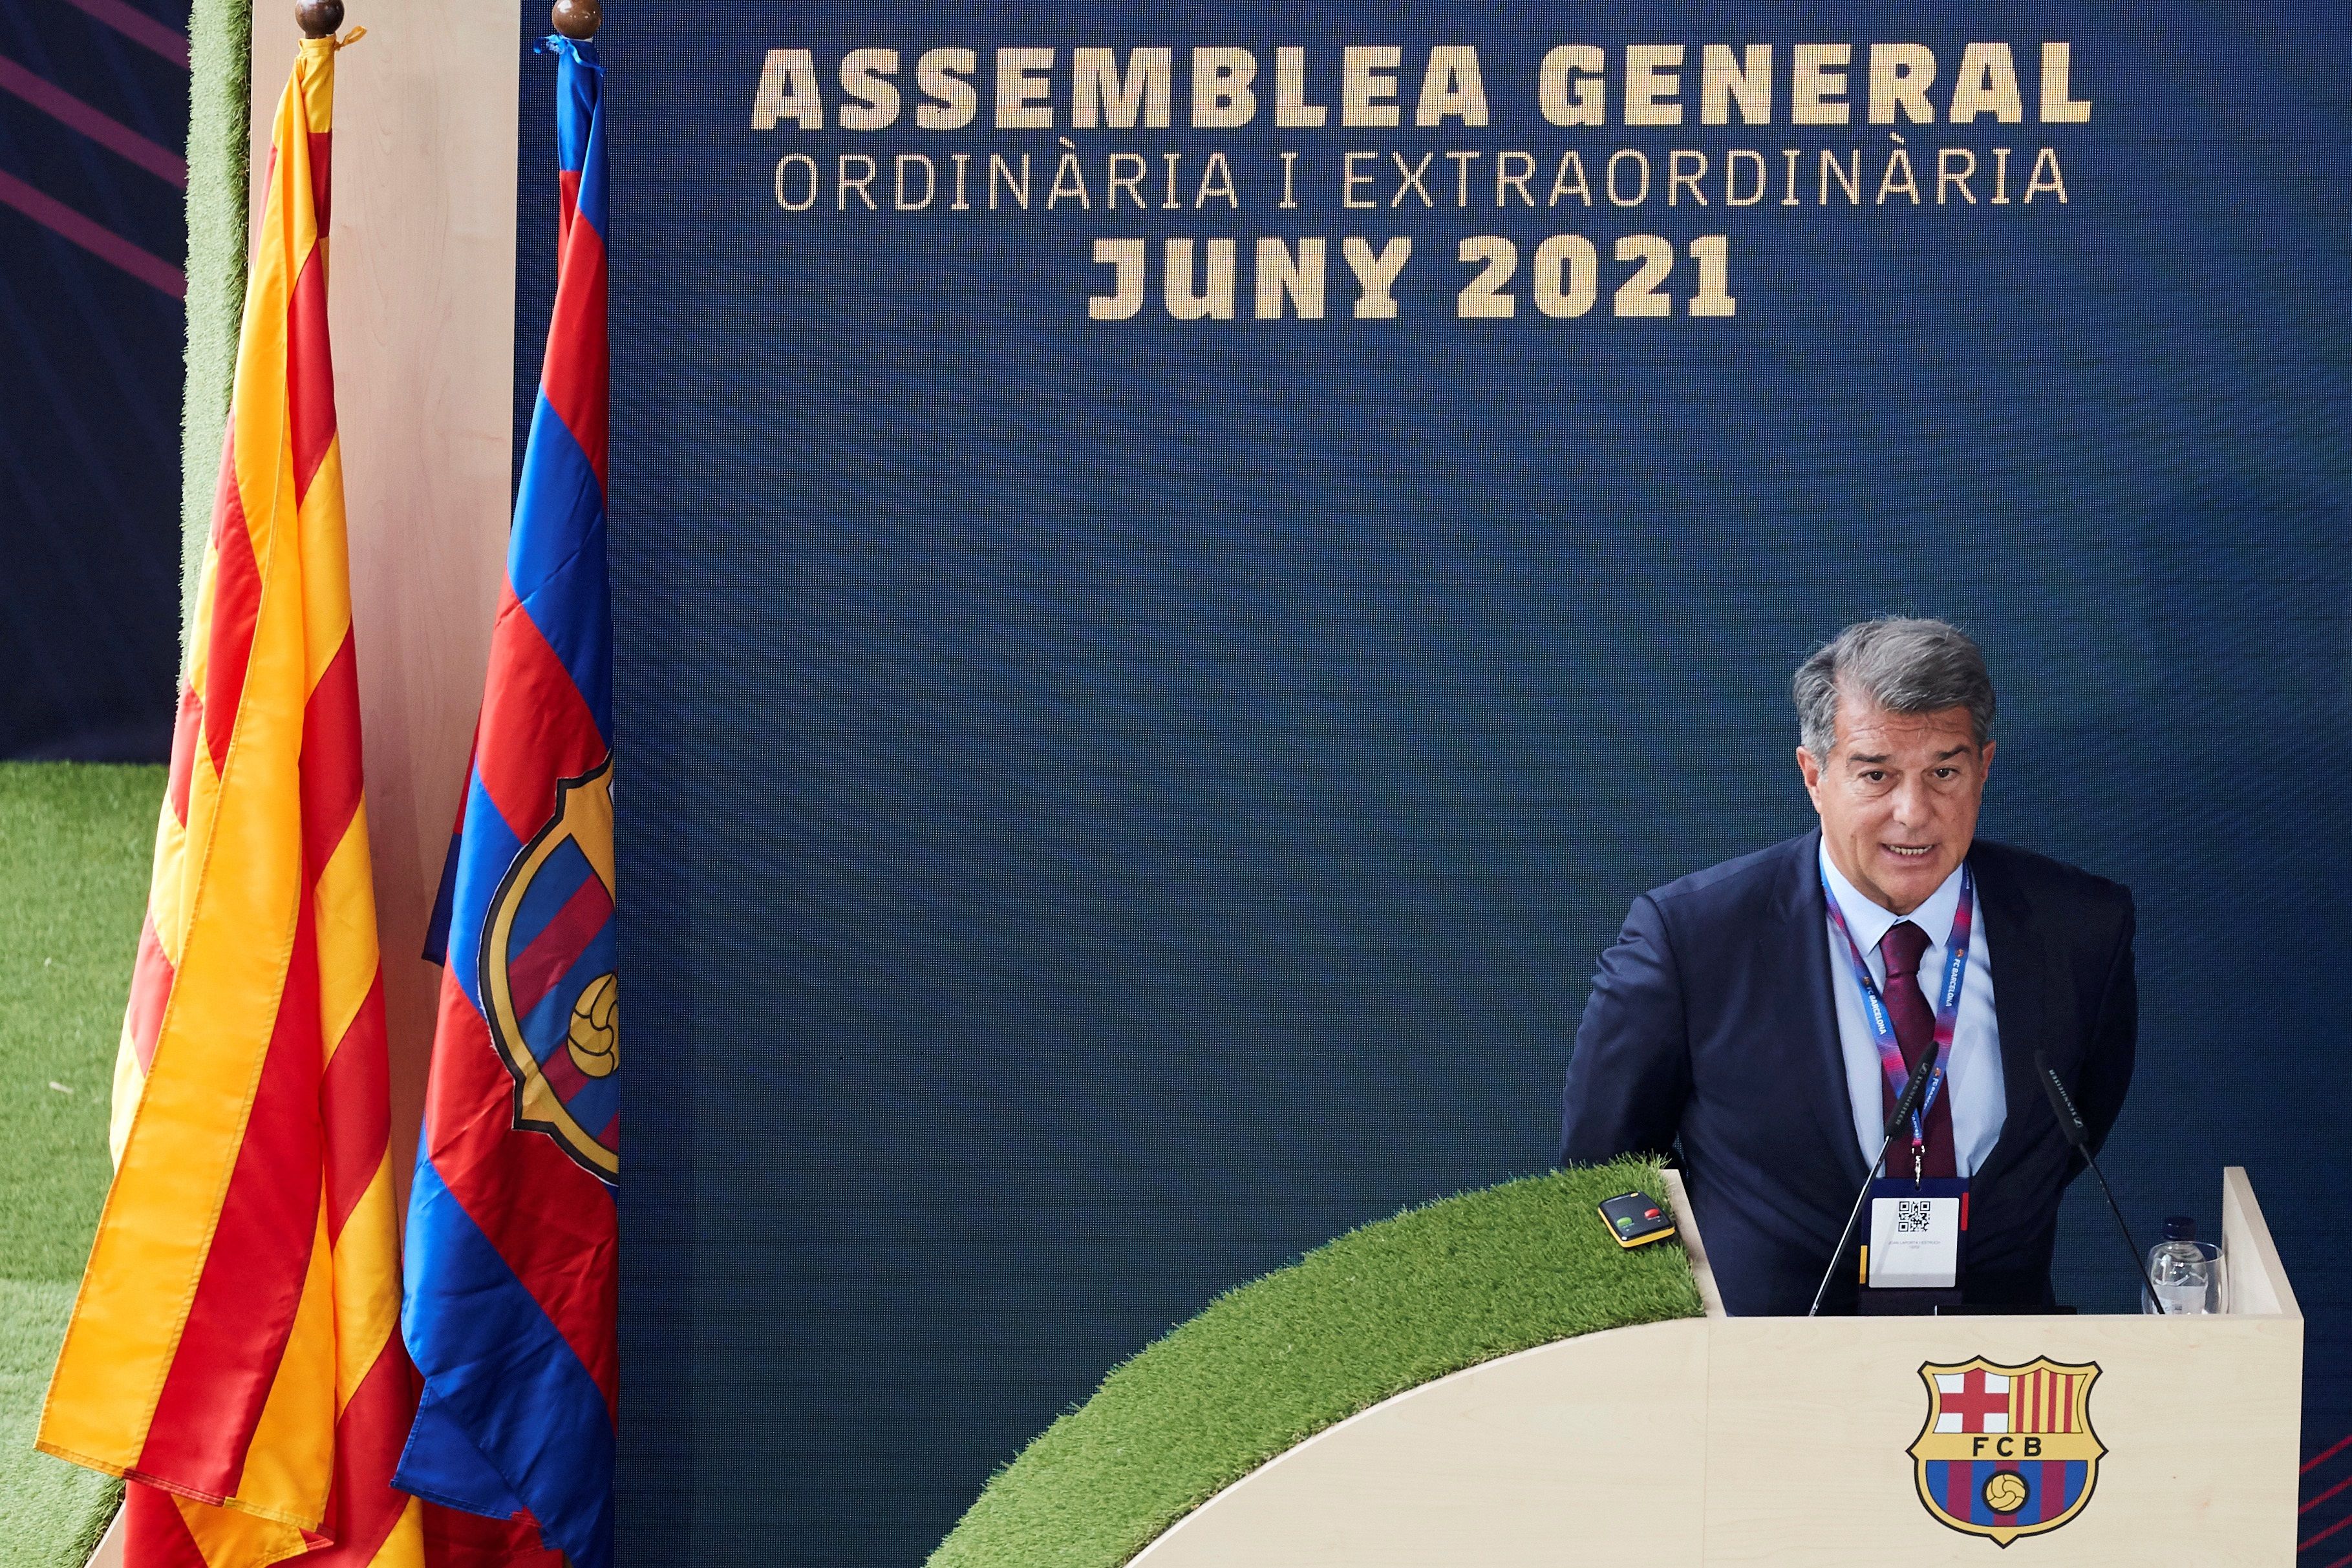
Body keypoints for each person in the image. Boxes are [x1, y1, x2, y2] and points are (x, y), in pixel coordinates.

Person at [1559, 618, 2135, 1314]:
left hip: (1993, 1379)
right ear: (1813, 774)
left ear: (1983, 766)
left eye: (1943, 772)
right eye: (1875, 774)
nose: (1912, 813)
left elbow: (2073, 1135)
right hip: (1764, 1374)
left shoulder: (2079, 928)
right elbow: (1605, 1172)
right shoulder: (1690, 940)